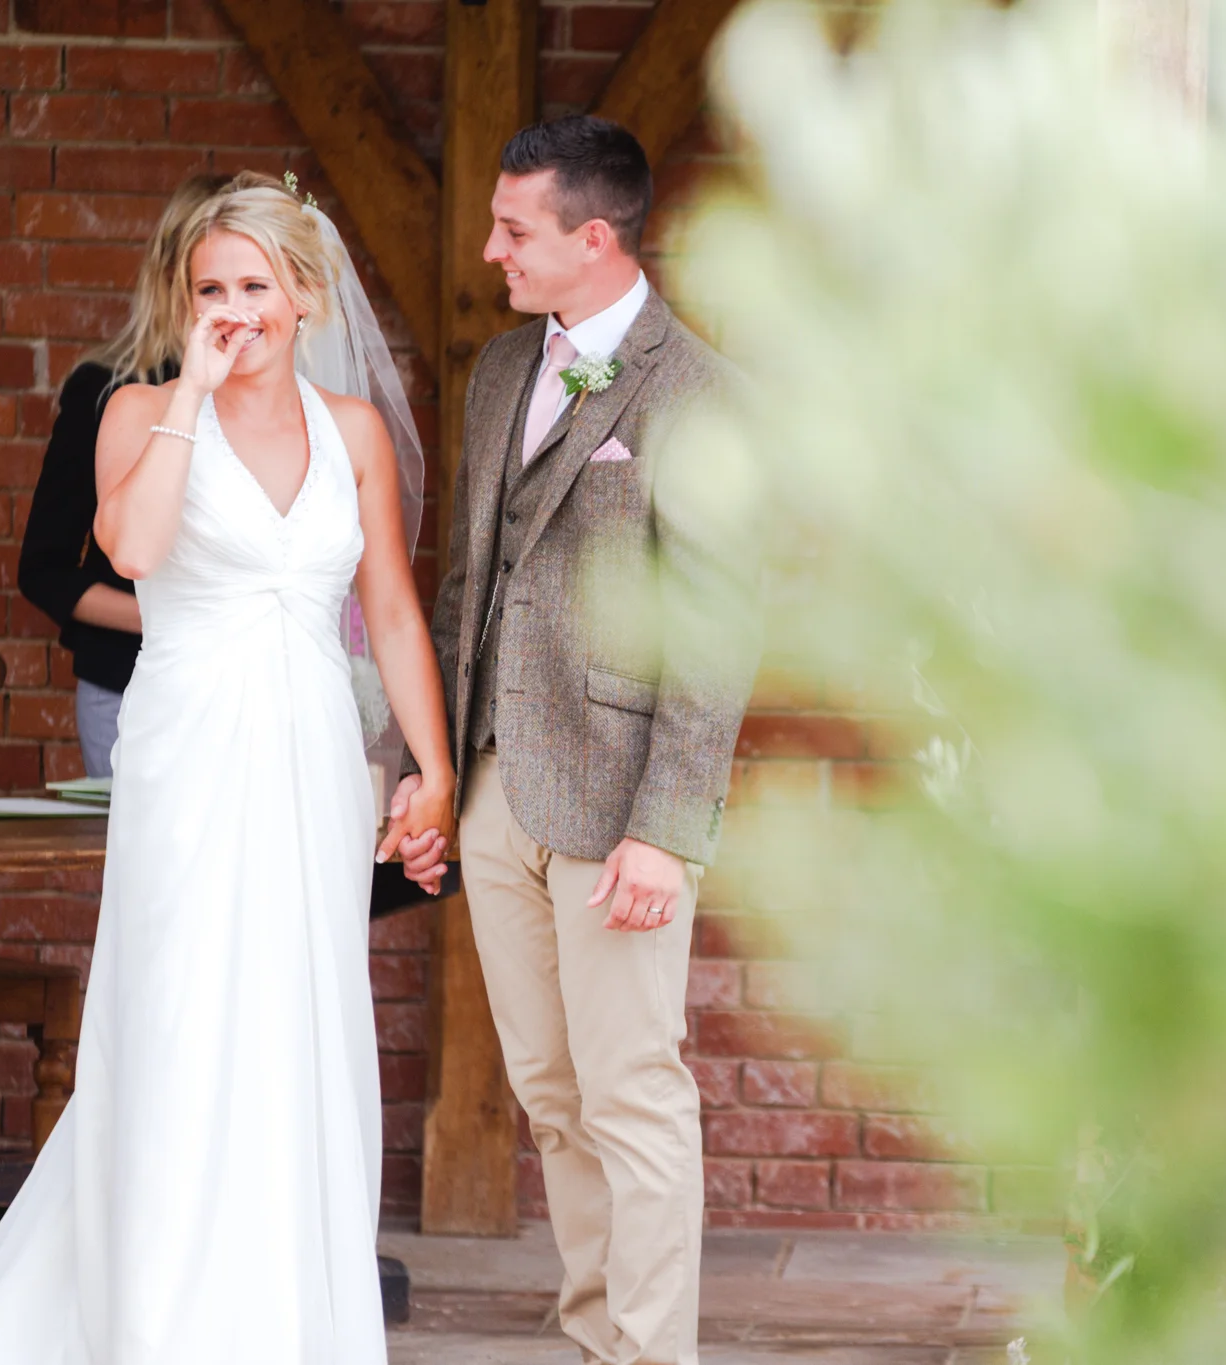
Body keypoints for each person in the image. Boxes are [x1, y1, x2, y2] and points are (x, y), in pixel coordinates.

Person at [0, 176, 456, 1363]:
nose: (233, 309)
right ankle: (158, 1322)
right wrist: (191, 389)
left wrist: (432, 771)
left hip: (310, 750)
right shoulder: (138, 411)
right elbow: (135, 549)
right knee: (179, 1009)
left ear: (306, 296)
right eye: (210, 289)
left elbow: (394, 614)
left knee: (300, 1016)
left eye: (255, 285)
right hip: (189, 745)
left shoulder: (351, 432)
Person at [390, 116, 761, 1365]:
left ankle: (650, 1355)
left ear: (592, 237)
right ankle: (599, 1340)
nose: (490, 251)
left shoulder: (699, 393)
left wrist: (667, 830)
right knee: (550, 1097)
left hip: (618, 808)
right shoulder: (503, 369)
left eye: (513, 230)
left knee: (631, 1094)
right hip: (498, 793)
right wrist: (433, 774)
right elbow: (466, 587)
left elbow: (713, 629)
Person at [18, 172, 228, 778]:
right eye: (211, 281)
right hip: (127, 686)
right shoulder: (105, 391)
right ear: (173, 276)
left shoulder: (293, 408)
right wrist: (171, 617)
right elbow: (45, 571)